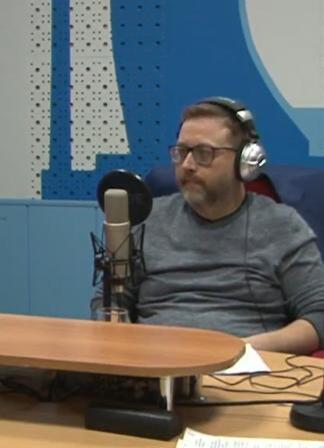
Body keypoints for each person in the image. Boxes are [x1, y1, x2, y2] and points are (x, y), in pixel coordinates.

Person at [127, 97, 324, 354]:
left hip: (243, 366)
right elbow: (109, 305)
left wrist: (241, 349)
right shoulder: (148, 220)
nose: (187, 165)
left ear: (245, 162)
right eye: (182, 152)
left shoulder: (282, 225)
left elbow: (318, 316)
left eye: (204, 153)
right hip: (155, 362)